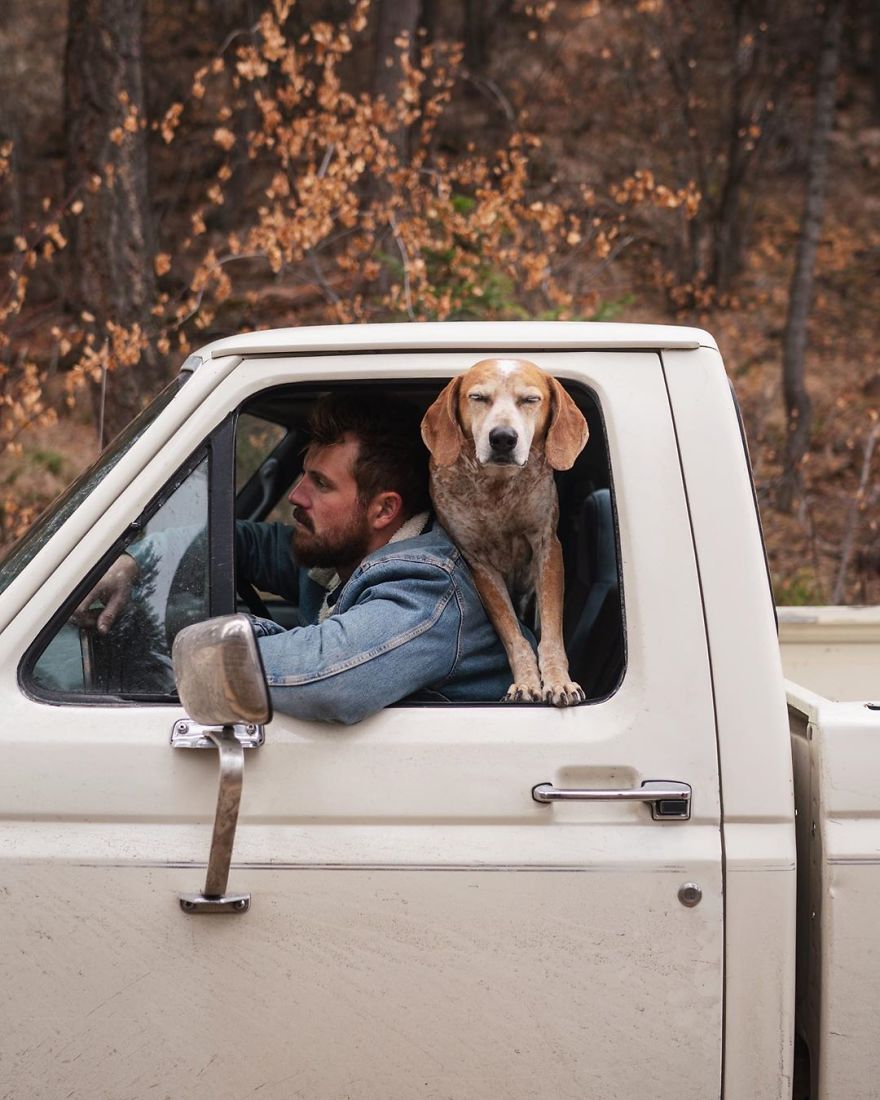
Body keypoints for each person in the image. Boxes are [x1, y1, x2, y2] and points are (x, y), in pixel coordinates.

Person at [77, 393, 514, 723]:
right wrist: (137, 560)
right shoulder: (341, 554)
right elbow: (242, 542)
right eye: (303, 473)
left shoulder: (430, 588)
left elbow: (329, 678)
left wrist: (199, 644)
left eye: (321, 484)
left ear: (384, 510)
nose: (295, 495)